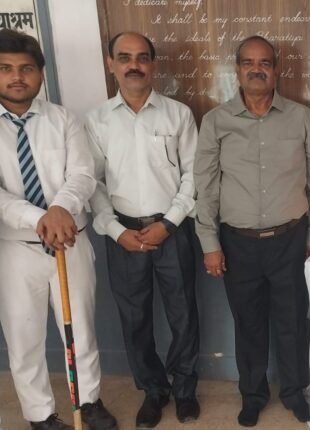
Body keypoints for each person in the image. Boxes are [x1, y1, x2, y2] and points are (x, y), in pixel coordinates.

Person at [194, 35, 310, 427]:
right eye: (248, 63)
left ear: (276, 70)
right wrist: (209, 243)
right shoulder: (215, 121)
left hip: (291, 239)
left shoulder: (301, 117)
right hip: (238, 244)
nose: (257, 69)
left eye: (265, 63)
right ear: (237, 70)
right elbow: (206, 187)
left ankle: (294, 392)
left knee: (293, 321)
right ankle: (252, 396)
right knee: (248, 325)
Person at [0, 29, 118, 430]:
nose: (17, 77)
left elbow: (82, 173)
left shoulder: (64, 119)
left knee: (80, 329)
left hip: (70, 241)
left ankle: (89, 402)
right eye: (6, 68)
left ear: (40, 73)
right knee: (24, 336)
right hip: (17, 248)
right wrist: (38, 218)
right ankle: (40, 416)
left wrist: (59, 208)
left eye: (26, 68)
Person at [86, 32, 200, 427]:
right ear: (111, 64)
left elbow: (193, 176)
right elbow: (92, 183)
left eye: (141, 57)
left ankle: (185, 390)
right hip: (123, 235)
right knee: (134, 319)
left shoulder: (178, 114)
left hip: (172, 231)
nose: (133, 65)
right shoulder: (97, 120)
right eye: (124, 57)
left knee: (183, 314)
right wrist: (115, 230)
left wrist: (169, 223)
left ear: (153, 64)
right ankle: (153, 390)